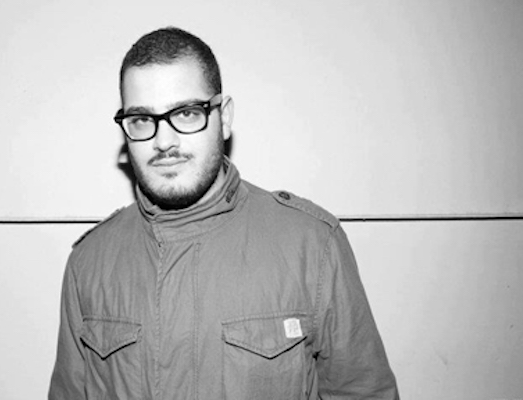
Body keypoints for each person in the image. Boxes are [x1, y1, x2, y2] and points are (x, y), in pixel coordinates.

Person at [49, 27, 399, 400]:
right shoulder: (89, 261)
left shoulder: (312, 246)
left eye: (187, 113)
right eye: (141, 119)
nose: (164, 141)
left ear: (225, 117)